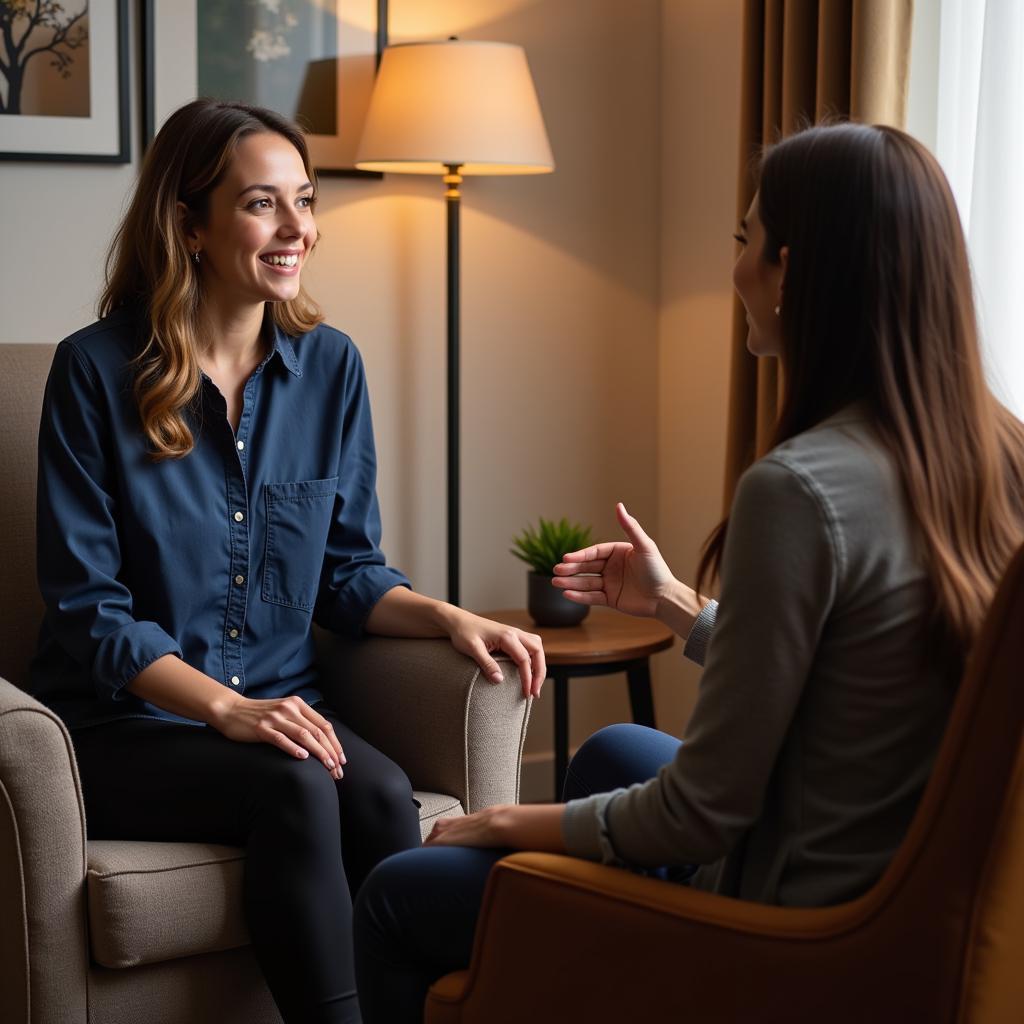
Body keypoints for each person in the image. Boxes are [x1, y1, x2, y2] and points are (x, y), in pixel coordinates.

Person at [351, 121, 1024, 1022]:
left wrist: (511, 821)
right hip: (907, 884)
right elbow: (867, 672)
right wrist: (674, 603)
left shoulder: (798, 489)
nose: (735, 268)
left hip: (796, 931)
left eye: (744, 241)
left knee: (399, 890)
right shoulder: (997, 450)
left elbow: (701, 816)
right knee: (610, 752)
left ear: (793, 269)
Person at [27, 98, 546, 1024]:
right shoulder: (93, 373)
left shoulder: (331, 367)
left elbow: (347, 573)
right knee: (299, 786)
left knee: (385, 800)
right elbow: (89, 614)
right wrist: (227, 708)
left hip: (280, 710)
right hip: (127, 726)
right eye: (263, 203)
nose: (299, 227)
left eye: (304, 200)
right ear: (188, 225)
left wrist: (450, 617)